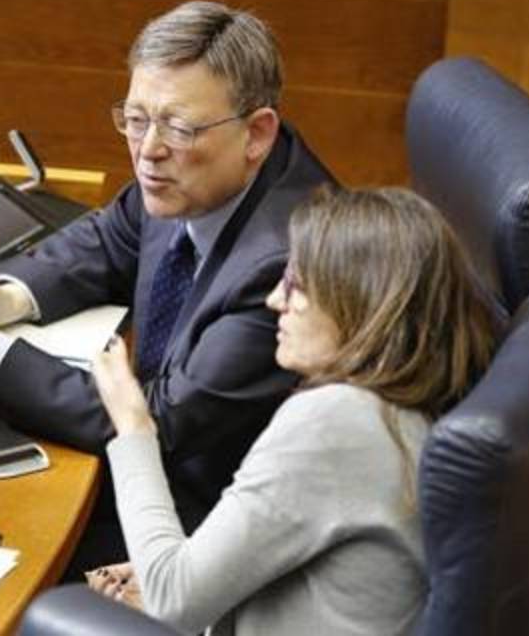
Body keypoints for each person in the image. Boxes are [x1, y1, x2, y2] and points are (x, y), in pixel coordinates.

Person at [0, 1, 336, 567]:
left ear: (257, 132)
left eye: (179, 128)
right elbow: (115, 234)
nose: (149, 150)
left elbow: (160, 421)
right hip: (146, 468)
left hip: (204, 525)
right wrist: (5, 299)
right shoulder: (202, 173)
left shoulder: (287, 268)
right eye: (135, 119)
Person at [86, 187, 499, 635]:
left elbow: (171, 602)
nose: (274, 302)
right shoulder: (408, 405)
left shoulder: (338, 421)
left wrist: (132, 425)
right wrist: (177, 570)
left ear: (360, 299)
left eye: (296, 285)